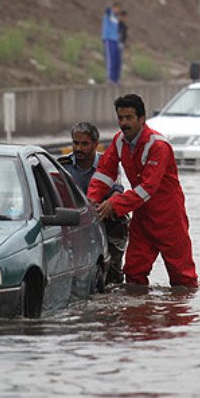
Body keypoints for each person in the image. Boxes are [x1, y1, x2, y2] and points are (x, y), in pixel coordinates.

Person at [88, 94, 198, 288]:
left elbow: (148, 188)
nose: (124, 123)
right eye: (120, 118)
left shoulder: (158, 146)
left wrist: (115, 203)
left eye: (129, 118)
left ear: (141, 119)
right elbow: (104, 173)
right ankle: (138, 316)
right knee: (133, 273)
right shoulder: (119, 141)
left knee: (183, 278)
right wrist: (90, 201)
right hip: (141, 214)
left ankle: (180, 315)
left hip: (169, 217)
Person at [58, 122, 128, 284]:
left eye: (84, 144)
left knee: (112, 274)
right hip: (75, 223)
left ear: (95, 144)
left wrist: (106, 205)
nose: (79, 148)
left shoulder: (108, 164)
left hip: (105, 220)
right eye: (75, 143)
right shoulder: (62, 166)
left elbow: (118, 191)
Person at [101, 2, 122, 85]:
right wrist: (111, 9)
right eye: (117, 8)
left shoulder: (116, 18)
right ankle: (110, 79)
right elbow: (107, 9)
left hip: (115, 40)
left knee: (117, 60)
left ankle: (116, 79)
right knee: (110, 59)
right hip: (109, 39)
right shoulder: (109, 14)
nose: (118, 10)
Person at [118, 9, 128, 77]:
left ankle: (117, 78)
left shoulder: (124, 26)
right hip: (116, 44)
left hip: (121, 44)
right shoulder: (116, 25)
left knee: (120, 61)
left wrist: (124, 43)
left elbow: (124, 36)